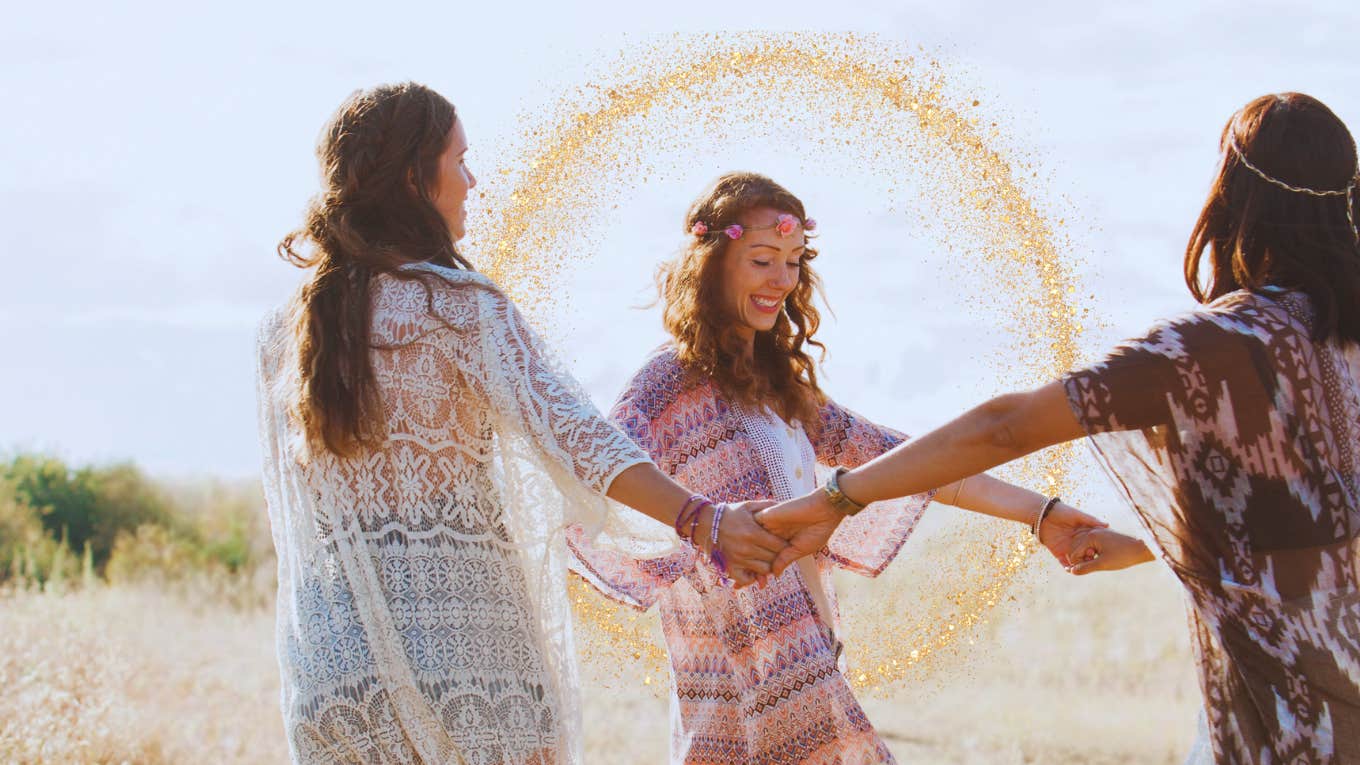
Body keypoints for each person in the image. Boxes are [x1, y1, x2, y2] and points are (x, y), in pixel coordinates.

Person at [757, 93, 1360, 764]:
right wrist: (1150, 542)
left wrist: (837, 497)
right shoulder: (1343, 341)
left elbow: (1007, 425)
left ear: (1236, 199)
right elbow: (1321, 509)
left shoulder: (1215, 348)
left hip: (1286, 729)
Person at [257, 83, 786, 765]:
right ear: (417, 177)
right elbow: (581, 439)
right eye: (461, 160)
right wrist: (703, 519)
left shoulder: (282, 331)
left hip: (334, 666)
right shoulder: (458, 308)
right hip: (467, 653)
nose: (472, 181)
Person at [567, 172, 1106, 764]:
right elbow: (601, 456)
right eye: (762, 260)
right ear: (714, 263)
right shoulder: (670, 377)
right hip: (736, 668)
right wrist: (700, 521)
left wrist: (1041, 513)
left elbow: (911, 462)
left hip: (808, 646)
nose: (782, 280)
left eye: (794, 262)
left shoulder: (781, 389)